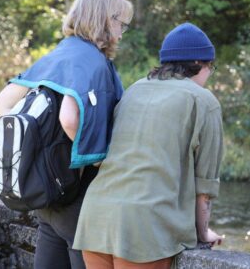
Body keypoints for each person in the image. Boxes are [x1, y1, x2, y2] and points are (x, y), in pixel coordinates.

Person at [0, 0, 133, 269]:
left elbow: (1, 104)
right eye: (122, 24)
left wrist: (42, 150)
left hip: (48, 191)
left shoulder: (57, 53)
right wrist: (96, 162)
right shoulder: (91, 60)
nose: (122, 32)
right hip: (77, 191)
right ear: (106, 19)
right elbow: (69, 117)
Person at [73, 23, 224, 269]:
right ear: (199, 62)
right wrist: (203, 232)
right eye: (211, 67)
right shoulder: (203, 101)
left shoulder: (135, 89)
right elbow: (204, 187)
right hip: (145, 226)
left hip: (96, 217)